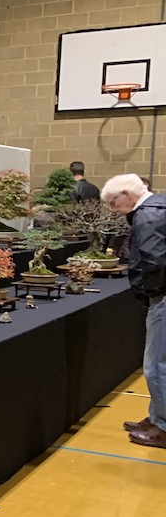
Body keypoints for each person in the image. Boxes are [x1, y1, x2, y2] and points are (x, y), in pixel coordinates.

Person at [102, 174, 166, 448]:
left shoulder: (148, 217)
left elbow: (154, 262)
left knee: (156, 366)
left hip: (162, 297)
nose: (114, 210)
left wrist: (149, 293)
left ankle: (163, 428)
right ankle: (157, 417)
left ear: (127, 194)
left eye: (114, 203)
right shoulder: (159, 207)